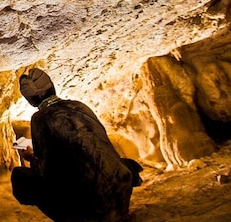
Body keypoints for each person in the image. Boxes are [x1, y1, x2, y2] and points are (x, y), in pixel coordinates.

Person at [11, 68, 142, 222]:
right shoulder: (79, 106)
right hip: (120, 186)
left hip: (92, 203)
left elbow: (44, 169)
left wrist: (30, 156)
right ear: (52, 87)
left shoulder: (40, 118)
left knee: (21, 177)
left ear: (31, 100)